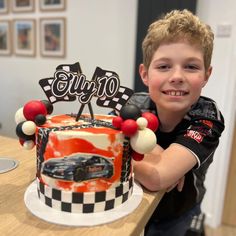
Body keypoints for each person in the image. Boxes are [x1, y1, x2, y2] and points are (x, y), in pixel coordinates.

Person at [129, 9, 225, 236]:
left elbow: (157, 177)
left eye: (191, 66)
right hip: (136, 203)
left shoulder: (208, 117)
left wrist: (123, 153)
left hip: (178, 215)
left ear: (206, 76)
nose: (177, 76)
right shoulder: (135, 104)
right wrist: (162, 158)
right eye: (164, 66)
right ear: (145, 74)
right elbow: (106, 132)